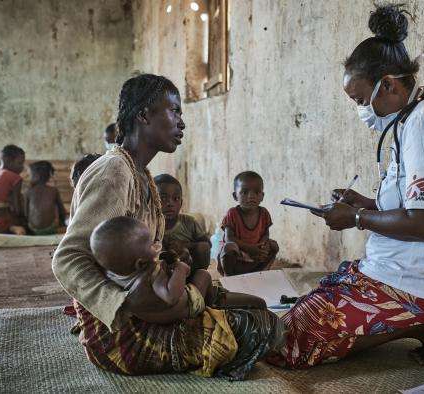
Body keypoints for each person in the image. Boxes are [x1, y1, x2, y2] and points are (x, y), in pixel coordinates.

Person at [268, 4, 424, 370]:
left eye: (360, 100)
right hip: (405, 269)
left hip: (419, 280)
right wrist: (364, 203)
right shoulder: (412, 119)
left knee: (285, 343)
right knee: (300, 310)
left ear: (388, 83)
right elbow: (417, 205)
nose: (361, 110)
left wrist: (357, 217)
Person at [52, 74, 283, 380]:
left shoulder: (142, 175)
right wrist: (121, 306)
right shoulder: (113, 172)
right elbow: (67, 259)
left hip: (150, 306)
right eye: (174, 111)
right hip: (121, 335)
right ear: (144, 114)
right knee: (262, 328)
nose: (181, 123)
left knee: (257, 312)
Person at [90, 216, 214, 322]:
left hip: (148, 315)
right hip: (183, 310)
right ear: (140, 264)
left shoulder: (110, 272)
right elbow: (172, 297)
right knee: (203, 275)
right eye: (151, 245)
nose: (156, 246)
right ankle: (211, 306)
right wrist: (180, 269)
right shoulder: (151, 274)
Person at [218, 171, 279, 276]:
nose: (251, 196)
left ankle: (260, 273)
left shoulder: (264, 213)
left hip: (256, 256)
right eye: (245, 192)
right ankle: (229, 277)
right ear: (235, 196)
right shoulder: (232, 213)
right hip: (238, 256)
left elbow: (265, 234)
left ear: (262, 196)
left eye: (256, 192)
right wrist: (250, 249)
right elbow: (229, 239)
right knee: (229, 247)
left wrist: (262, 246)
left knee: (273, 245)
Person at [154, 173, 211, 275]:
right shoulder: (151, 224)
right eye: (163, 198)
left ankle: (194, 276)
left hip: (189, 267)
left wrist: (186, 245)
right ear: (152, 202)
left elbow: (207, 244)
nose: (170, 203)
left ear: (181, 203)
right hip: (162, 271)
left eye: (176, 199)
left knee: (203, 247)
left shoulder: (189, 222)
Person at [25, 161, 67, 235]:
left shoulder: (29, 191)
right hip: (51, 229)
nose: (29, 177)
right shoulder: (53, 190)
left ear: (36, 176)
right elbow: (62, 212)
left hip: (32, 230)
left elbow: (25, 213)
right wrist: (62, 223)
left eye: (30, 174)